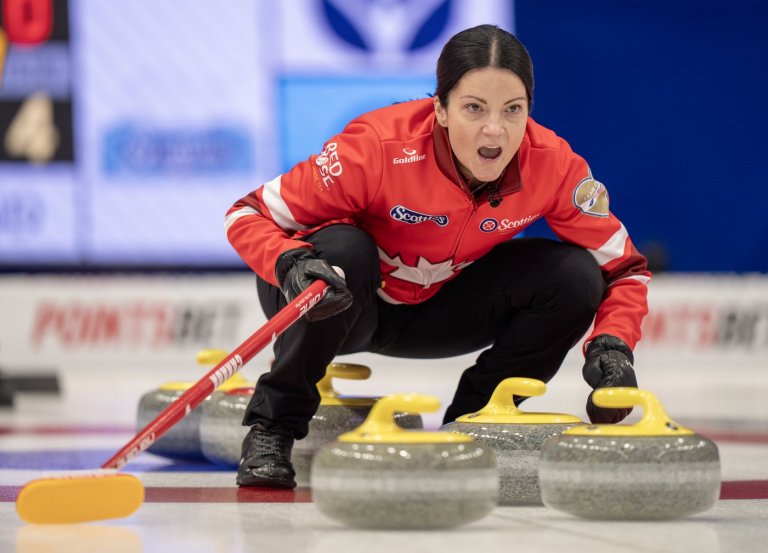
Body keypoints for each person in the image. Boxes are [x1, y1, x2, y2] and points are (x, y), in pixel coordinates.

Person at [224, 24, 651, 489]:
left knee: (575, 276)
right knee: (348, 248)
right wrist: (288, 264)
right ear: (440, 110)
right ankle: (273, 428)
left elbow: (624, 269)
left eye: (513, 110)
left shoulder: (554, 165)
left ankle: (473, 424)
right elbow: (247, 213)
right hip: (337, 303)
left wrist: (613, 343)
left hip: (435, 311)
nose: (495, 130)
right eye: (474, 108)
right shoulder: (376, 148)